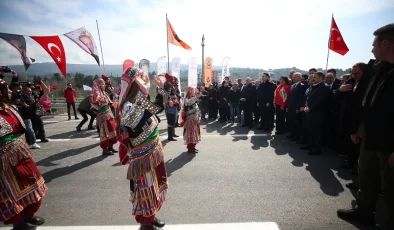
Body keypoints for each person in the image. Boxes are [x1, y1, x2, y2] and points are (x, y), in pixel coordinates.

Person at [337, 23, 394, 230]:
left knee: (390, 187)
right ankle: (363, 213)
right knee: (366, 177)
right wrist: (358, 130)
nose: (371, 49)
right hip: (370, 136)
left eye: (374, 45)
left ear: (386, 43)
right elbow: (368, 104)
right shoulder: (378, 70)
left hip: (389, 142)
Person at [117, 67, 167, 230]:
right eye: (140, 80)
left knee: (152, 186)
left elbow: (156, 108)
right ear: (134, 84)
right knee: (146, 187)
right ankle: (146, 221)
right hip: (142, 156)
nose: (145, 83)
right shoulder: (129, 107)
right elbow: (154, 109)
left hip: (150, 151)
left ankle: (150, 217)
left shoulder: (138, 100)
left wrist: (160, 89)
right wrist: (159, 90)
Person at [0, 79, 47, 230]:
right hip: (4, 161)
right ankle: (19, 222)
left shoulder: (11, 108)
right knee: (12, 190)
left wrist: (43, 97)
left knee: (32, 183)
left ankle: (29, 216)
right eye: (6, 89)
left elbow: (32, 113)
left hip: (21, 154)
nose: (10, 92)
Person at [90, 78, 118, 155]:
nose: (104, 85)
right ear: (99, 84)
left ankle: (110, 147)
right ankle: (105, 150)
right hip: (103, 117)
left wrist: (113, 103)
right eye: (102, 84)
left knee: (112, 130)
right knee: (105, 133)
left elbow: (108, 101)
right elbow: (98, 100)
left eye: (103, 83)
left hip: (109, 114)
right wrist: (101, 99)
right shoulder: (96, 92)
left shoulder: (104, 92)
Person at [179, 86, 201, 153]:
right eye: (191, 90)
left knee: (195, 132)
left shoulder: (192, 98)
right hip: (190, 119)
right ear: (188, 91)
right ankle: (190, 147)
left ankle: (193, 146)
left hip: (194, 118)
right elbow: (189, 103)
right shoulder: (186, 99)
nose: (193, 91)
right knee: (191, 132)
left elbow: (196, 104)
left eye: (193, 90)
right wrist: (196, 96)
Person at [163, 73, 180, 141]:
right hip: (170, 104)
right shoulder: (167, 85)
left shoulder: (170, 85)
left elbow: (174, 93)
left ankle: (173, 133)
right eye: (172, 78)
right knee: (171, 119)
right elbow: (167, 94)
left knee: (174, 119)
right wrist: (170, 100)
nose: (173, 80)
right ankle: (170, 136)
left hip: (174, 104)